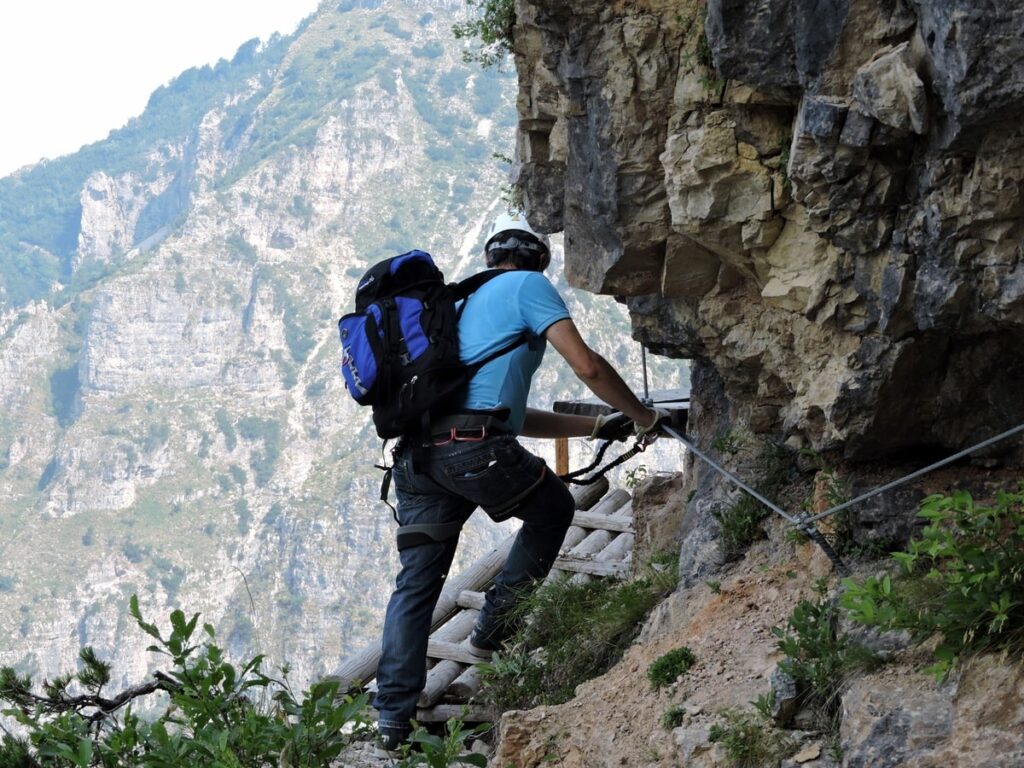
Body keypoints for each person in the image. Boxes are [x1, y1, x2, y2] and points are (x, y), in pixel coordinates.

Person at [373, 212, 668, 751]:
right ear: (537, 264)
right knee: (553, 510)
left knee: (416, 585)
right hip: (474, 451)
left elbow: (507, 414)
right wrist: (643, 418)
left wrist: (597, 425)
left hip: (417, 459)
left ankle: (391, 718)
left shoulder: (454, 305)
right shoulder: (528, 287)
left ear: (491, 261)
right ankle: (495, 630)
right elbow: (589, 368)